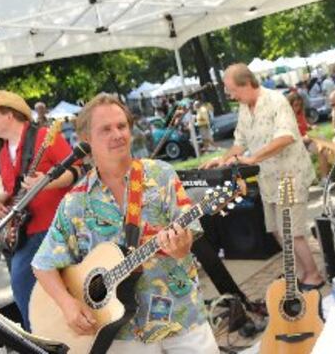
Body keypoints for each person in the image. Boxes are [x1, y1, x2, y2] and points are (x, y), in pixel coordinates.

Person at [32, 93, 218, 352]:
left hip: (181, 317)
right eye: (106, 129)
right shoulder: (75, 202)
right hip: (120, 333)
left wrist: (181, 247)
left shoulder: (161, 175)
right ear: (86, 140)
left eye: (121, 126)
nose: (117, 134)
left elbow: (186, 238)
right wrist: (67, 303)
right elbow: (42, 264)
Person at [202, 64, 324, 289]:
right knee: (276, 231)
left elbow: (286, 136)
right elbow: (240, 142)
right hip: (268, 180)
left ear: (247, 84)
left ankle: (314, 276)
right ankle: (300, 273)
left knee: (292, 232)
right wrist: (222, 159)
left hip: (288, 177)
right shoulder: (244, 107)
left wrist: (253, 158)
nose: (230, 96)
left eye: (232, 90)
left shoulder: (276, 101)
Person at [0, 90, 80, 330]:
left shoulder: (44, 136)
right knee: (26, 292)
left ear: (10, 115)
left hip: (57, 226)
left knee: (27, 284)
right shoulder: (3, 153)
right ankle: (42, 338)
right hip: (26, 231)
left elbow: (78, 170)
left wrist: (48, 182)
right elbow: (13, 189)